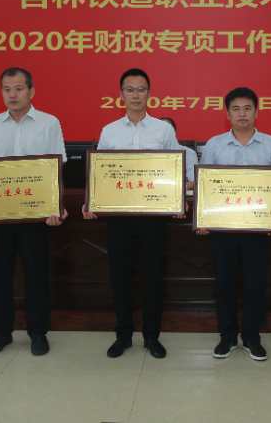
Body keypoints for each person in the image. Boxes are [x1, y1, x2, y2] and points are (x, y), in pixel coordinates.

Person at [0, 66, 68, 357]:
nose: (13, 95)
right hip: (0, 214)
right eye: (7, 90)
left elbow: (57, 167)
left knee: (36, 274)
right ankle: (1, 332)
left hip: (36, 214)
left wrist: (56, 206)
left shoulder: (49, 123)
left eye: (19, 89)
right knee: (1, 275)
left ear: (31, 91)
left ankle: (38, 332)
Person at [83, 68, 180, 359]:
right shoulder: (110, 131)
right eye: (130, 89)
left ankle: (152, 337)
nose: (136, 95)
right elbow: (99, 172)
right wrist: (91, 200)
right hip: (119, 218)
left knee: (153, 278)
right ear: (121, 94)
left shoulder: (163, 130)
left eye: (141, 89)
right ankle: (123, 335)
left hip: (153, 218)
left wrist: (178, 200)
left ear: (149, 94)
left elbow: (176, 168)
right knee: (120, 277)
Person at [198, 87, 271, 362]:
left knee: (255, 285)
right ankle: (227, 337)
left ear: (256, 112)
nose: (242, 114)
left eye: (247, 108)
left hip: (257, 230)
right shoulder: (214, 145)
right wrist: (202, 219)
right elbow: (205, 186)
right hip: (222, 230)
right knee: (224, 284)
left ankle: (251, 337)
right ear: (227, 114)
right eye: (236, 109)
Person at [159, 116, 197, 185]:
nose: (164, 133)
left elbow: (193, 182)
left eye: (167, 130)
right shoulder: (151, 155)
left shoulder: (189, 153)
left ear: (174, 132)